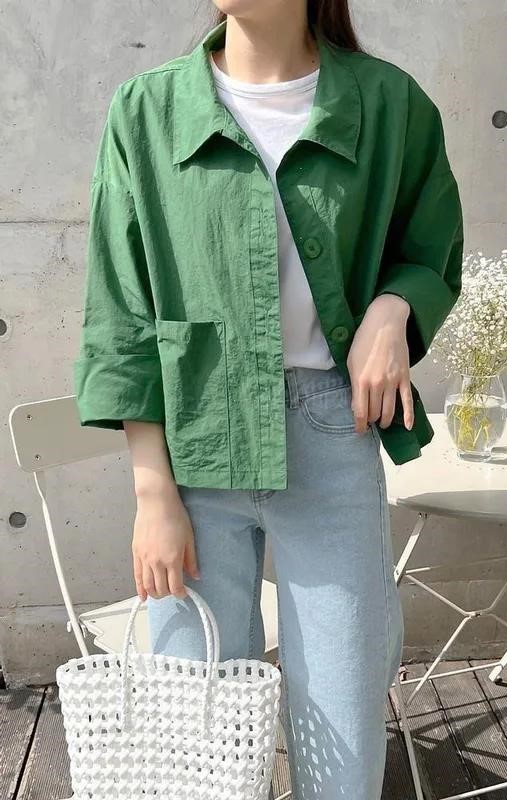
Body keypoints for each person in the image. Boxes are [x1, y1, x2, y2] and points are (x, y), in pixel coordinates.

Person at [73, 2, 463, 797]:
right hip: (194, 448)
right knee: (196, 742)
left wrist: (394, 308)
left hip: (333, 434)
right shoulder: (146, 111)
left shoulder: (389, 104)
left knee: (344, 726)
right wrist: (152, 494)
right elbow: (121, 313)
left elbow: (431, 248)